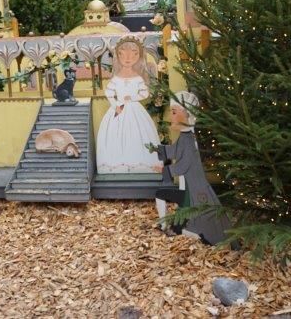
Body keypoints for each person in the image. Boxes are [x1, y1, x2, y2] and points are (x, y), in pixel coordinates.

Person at [155, 91, 230, 245]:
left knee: (162, 195)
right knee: (182, 210)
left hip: (193, 192)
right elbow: (174, 150)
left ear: (187, 114)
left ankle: (167, 226)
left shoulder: (189, 141)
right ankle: (176, 228)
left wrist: (165, 170)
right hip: (189, 189)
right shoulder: (185, 137)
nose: (171, 117)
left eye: (174, 112)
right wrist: (158, 150)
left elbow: (183, 165)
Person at [96, 37, 161, 174]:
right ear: (117, 56)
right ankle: (116, 163)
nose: (128, 58)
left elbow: (145, 93)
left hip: (135, 109)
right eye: (123, 54)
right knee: (115, 134)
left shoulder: (138, 78)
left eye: (134, 54)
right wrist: (115, 105)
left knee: (137, 134)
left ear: (139, 56)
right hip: (118, 109)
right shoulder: (116, 79)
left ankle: (140, 163)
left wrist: (132, 98)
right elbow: (109, 92)